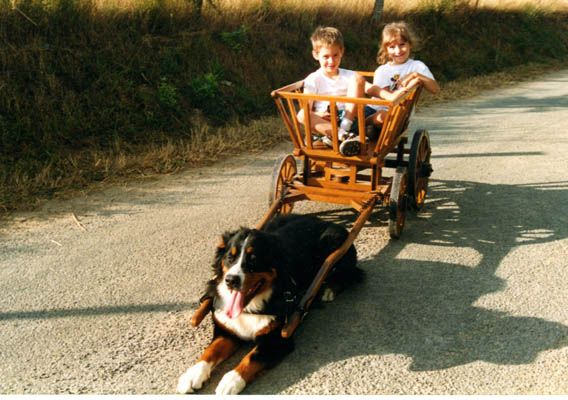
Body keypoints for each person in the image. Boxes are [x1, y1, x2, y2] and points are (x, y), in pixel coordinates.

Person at [297, 26, 367, 157]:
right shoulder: (313, 79)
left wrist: (388, 95)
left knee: (358, 79)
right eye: (326, 56)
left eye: (335, 55)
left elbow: (366, 88)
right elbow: (308, 108)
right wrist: (319, 113)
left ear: (342, 52)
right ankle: (342, 136)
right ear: (316, 55)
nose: (331, 61)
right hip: (325, 122)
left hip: (348, 118)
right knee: (302, 114)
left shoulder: (350, 76)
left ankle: (344, 130)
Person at [366, 21, 440, 128]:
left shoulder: (417, 66)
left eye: (402, 45)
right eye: (392, 47)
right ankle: (361, 128)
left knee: (383, 116)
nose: (398, 50)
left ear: (410, 44)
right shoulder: (382, 70)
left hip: (396, 115)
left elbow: (435, 89)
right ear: (386, 50)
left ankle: (366, 124)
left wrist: (415, 75)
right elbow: (384, 97)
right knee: (351, 114)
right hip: (373, 109)